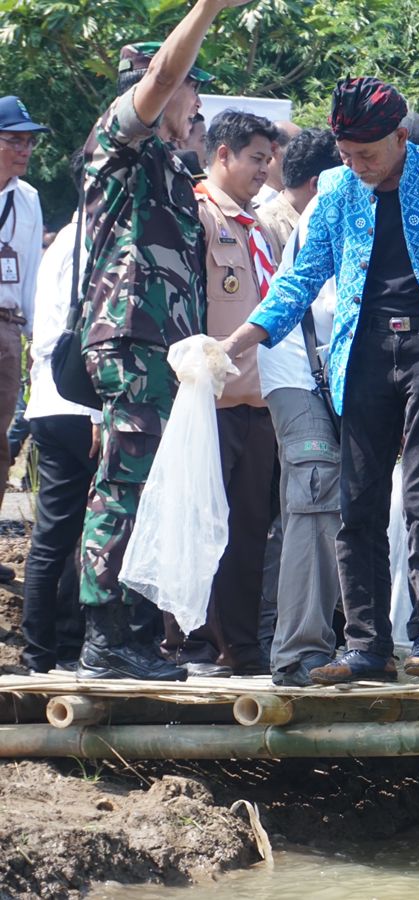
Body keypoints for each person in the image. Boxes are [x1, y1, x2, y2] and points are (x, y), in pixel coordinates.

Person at [221, 77, 419, 683]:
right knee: (356, 501)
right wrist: (242, 340)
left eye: (368, 154)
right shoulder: (335, 187)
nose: (356, 165)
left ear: (400, 137)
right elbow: (301, 278)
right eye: (346, 154)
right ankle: (364, 646)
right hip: (361, 352)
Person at [73, 8, 256, 683]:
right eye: (192, 89)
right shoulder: (118, 145)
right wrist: (207, 8)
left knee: (152, 489)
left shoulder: (177, 171)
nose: (198, 100)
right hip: (128, 340)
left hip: (167, 355)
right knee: (124, 485)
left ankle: (136, 637)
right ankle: (104, 638)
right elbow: (162, 72)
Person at [163, 110, 284, 678]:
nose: (266, 169)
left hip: (256, 401)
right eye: (256, 157)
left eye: (268, 158)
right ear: (222, 155)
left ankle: (239, 646)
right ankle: (189, 645)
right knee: (196, 526)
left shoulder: (257, 227)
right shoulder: (196, 214)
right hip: (206, 403)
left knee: (247, 534)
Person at [251, 127, 344, 687]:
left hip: (333, 376)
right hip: (298, 372)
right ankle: (298, 654)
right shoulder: (334, 203)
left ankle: (332, 642)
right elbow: (325, 307)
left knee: (332, 505)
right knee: (313, 497)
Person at [20, 156, 93, 673]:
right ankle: (46, 650)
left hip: (51, 400)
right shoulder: (86, 242)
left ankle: (48, 648)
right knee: (65, 535)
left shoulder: (66, 239)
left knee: (59, 533)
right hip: (76, 404)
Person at [0, 96, 50, 586]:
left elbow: (32, 273)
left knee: (0, 444)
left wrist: (37, 344)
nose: (25, 149)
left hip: (8, 327)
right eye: (14, 140)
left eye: (28, 141)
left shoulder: (28, 198)